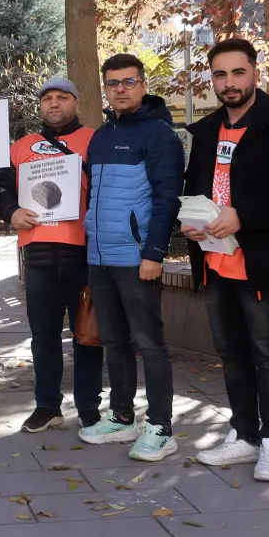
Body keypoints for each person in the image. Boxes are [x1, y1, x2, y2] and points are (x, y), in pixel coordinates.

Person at [184, 38, 269, 482]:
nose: (229, 83)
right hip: (215, 261)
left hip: (261, 264)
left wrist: (243, 216)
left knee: (267, 355)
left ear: (255, 74)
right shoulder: (206, 133)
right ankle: (244, 435)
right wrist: (190, 222)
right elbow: (195, 186)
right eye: (220, 75)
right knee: (231, 355)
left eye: (238, 73)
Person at [79, 54, 184, 461]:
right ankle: (123, 418)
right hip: (100, 257)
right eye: (112, 83)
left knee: (149, 344)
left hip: (137, 257)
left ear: (143, 85)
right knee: (114, 341)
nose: (120, 89)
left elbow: (167, 198)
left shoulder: (159, 135)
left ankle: (160, 428)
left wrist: (154, 253)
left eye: (128, 82)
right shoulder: (102, 136)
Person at [0, 77, 104, 433]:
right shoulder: (21, 147)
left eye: (62, 97)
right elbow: (0, 189)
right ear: (40, 105)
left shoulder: (95, 140)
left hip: (83, 256)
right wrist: (11, 212)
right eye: (47, 98)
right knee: (43, 337)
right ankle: (47, 406)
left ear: (76, 103)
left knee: (87, 335)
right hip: (38, 258)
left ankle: (89, 408)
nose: (54, 104)